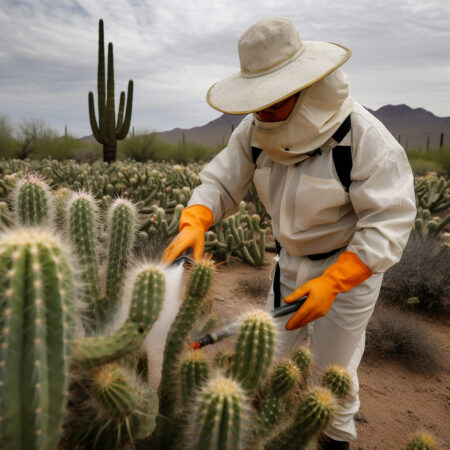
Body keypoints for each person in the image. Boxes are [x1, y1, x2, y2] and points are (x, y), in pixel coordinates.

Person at [162, 17, 416, 449]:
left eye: (272, 101)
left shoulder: (364, 138)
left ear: (302, 87)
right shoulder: (255, 131)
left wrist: (334, 282)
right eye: (256, 101)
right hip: (289, 267)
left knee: (332, 373)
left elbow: (387, 223)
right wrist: (196, 220)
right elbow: (221, 181)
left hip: (349, 272)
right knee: (263, 361)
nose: (262, 111)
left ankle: (336, 438)